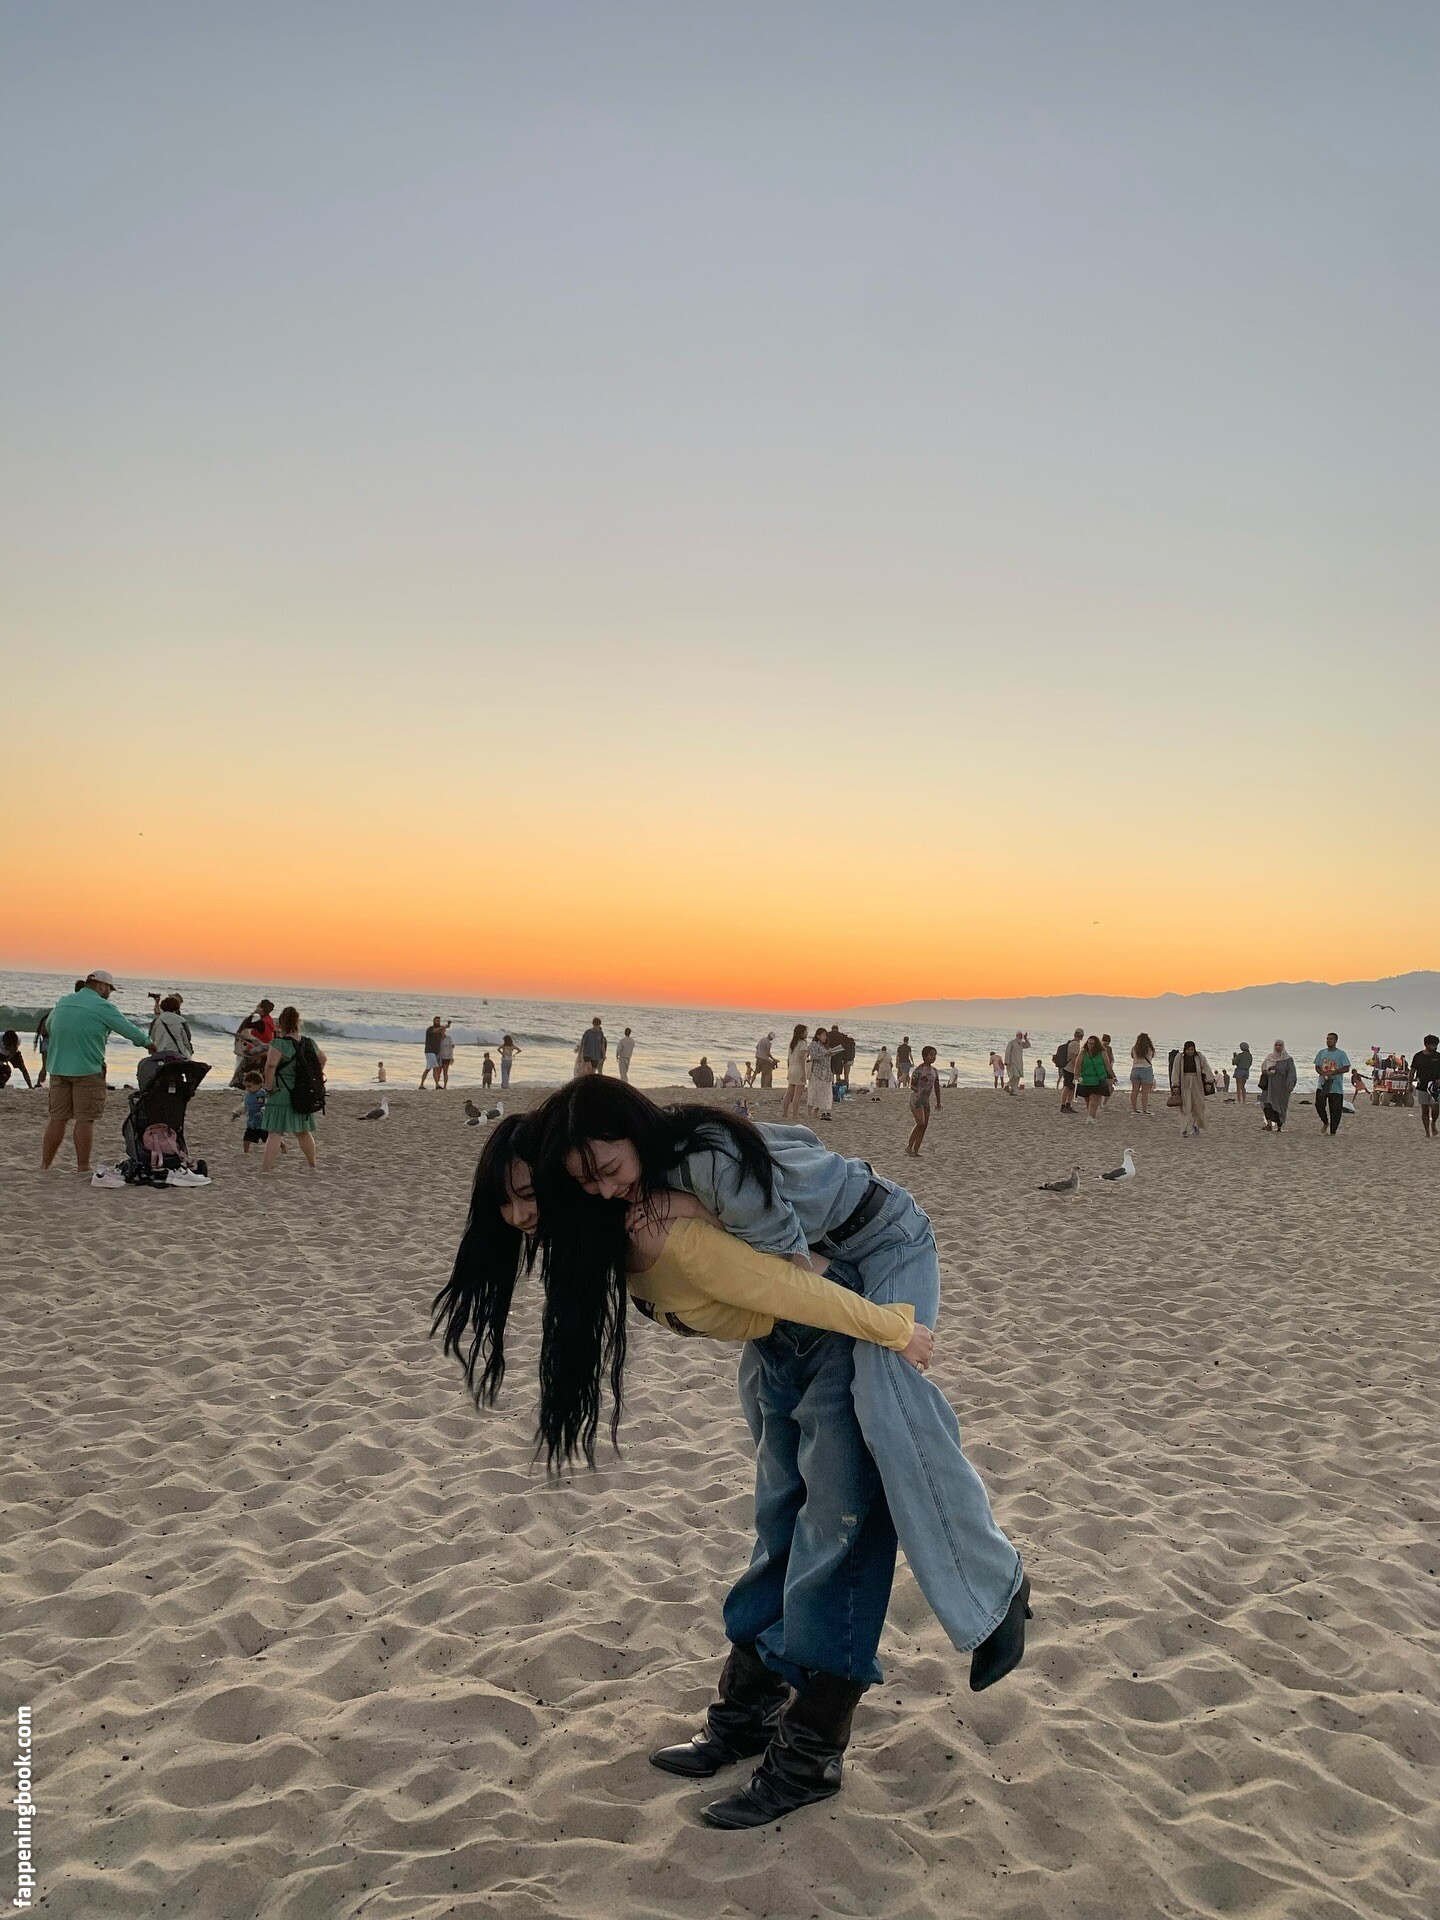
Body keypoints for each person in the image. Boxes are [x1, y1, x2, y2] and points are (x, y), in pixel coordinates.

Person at [434, 1092, 1028, 1826]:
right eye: (514, 1200)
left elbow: (787, 1275)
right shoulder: (616, 1221)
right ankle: (748, 1710)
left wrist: (889, 1328)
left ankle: (817, 1747)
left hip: (852, 1287)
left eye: (534, 1194)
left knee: (847, 1509)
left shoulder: (682, 1199)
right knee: (780, 1520)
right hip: (784, 1335)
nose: (523, 1215)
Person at [40, 972, 155, 1173]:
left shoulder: (64, 1001)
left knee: (57, 1118)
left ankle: (45, 1165)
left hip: (58, 1068)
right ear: (102, 986)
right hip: (88, 1070)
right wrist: (150, 1045)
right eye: (109, 989)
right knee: (85, 1119)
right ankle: (83, 1166)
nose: (109, 993)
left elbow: (49, 1026)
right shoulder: (102, 1006)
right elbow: (127, 1029)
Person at [260, 1006, 325, 1172]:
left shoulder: (279, 1043)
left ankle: (266, 1169)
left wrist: (269, 1087)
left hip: (282, 1090)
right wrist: (313, 1077)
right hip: (303, 1091)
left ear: (281, 1024)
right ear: (298, 1022)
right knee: (303, 1132)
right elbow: (323, 1059)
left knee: (275, 1132)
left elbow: (271, 1065)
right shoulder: (309, 1042)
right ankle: (312, 1164)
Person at [1170, 1040, 1215, 1137]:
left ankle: (1195, 1126)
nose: (1190, 1051)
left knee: (1198, 1105)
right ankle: (1184, 1129)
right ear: (1185, 1049)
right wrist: (1175, 1085)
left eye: (1192, 1049)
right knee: (1186, 1106)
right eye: (1188, 1049)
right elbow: (1175, 1071)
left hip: (1197, 1083)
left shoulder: (1199, 1057)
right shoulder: (1180, 1057)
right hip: (1184, 1083)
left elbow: (1206, 1068)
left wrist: (1209, 1082)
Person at [1313, 1033, 1351, 1135]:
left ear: (1335, 1041)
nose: (1328, 1041)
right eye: (1327, 1039)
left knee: (1335, 1110)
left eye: (1331, 1039)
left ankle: (1333, 1131)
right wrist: (1323, 1073)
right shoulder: (1322, 1052)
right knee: (1319, 1105)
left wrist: (1333, 1072)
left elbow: (1346, 1068)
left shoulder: (1341, 1054)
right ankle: (1325, 1122)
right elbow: (1317, 1066)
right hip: (1322, 1084)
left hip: (1336, 1086)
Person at [906, 1046, 941, 1156]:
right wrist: (919, 1091)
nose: (933, 1057)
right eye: (931, 1055)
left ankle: (916, 1150)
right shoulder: (919, 1070)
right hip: (916, 1100)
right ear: (925, 1056)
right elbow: (912, 1085)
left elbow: (937, 1087)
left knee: (924, 1126)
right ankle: (909, 1147)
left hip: (926, 1101)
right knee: (920, 1123)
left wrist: (938, 1102)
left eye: (934, 1055)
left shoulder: (934, 1071)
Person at [1257, 1040, 1297, 1132]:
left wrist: (1290, 1084)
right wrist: (1268, 1072)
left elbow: (1291, 1073)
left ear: (1283, 1047)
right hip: (1269, 1086)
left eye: (1280, 1045)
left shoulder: (1288, 1059)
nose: (1278, 1047)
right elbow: (1263, 1068)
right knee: (1266, 1104)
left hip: (1281, 1088)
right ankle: (1269, 1124)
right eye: (1276, 1045)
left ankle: (1279, 1126)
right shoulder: (1269, 1057)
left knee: (1280, 1106)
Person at [1076, 1035, 1110, 1122]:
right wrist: (1076, 1076)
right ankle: (1091, 1116)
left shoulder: (1102, 1053)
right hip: (1085, 1080)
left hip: (1098, 1080)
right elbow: (1077, 1065)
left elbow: (1107, 1065)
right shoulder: (1083, 1053)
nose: (1090, 1045)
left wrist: (1112, 1076)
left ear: (1096, 1044)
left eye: (1092, 1044)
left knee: (1094, 1099)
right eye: (1089, 1043)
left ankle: (1091, 1117)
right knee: (1088, 1101)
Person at [1411, 1034, 1440, 1138]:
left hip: (1435, 1086)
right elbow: (1412, 1071)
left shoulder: (1438, 1056)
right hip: (1422, 1086)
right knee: (1425, 1110)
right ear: (1426, 1045)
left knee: (1435, 1108)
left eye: (1436, 1045)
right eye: (1433, 1045)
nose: (1435, 1047)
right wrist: (1409, 1084)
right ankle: (1427, 1131)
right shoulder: (1418, 1056)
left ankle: (1433, 1123)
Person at [781, 1025, 809, 1121]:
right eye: (805, 1031)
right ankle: (794, 1115)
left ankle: (785, 1113)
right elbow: (802, 1060)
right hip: (799, 1069)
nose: (807, 1033)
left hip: (792, 1069)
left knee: (789, 1092)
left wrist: (788, 1071)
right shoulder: (803, 1043)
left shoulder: (792, 1043)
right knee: (797, 1094)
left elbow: (788, 1059)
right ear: (801, 1033)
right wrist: (804, 1074)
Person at [805, 1028, 833, 1118]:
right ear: (818, 1036)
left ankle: (816, 1113)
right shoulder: (814, 1044)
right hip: (817, 1072)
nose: (825, 1037)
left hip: (826, 1073)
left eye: (826, 1035)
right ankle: (809, 1113)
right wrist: (825, 1054)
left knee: (823, 1094)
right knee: (813, 1092)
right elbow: (813, 1056)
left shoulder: (824, 1046)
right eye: (823, 1035)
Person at [241, 1071, 271, 1155]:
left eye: (249, 1086)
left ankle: (282, 1145)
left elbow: (266, 1105)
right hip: (251, 1122)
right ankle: (246, 1152)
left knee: (268, 1139)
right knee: (247, 1138)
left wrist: (262, 1112)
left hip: (263, 1123)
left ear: (259, 1084)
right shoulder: (247, 1095)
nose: (247, 1088)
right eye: (246, 1086)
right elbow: (244, 1105)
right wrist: (236, 1113)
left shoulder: (262, 1094)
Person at [1129, 1033, 1156, 1115]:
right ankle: (1144, 1110)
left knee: (1134, 1091)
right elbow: (1152, 1057)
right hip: (1146, 1069)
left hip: (1135, 1069)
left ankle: (1134, 1109)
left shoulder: (1134, 1048)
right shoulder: (1150, 1049)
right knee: (1145, 1092)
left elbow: (1132, 1057)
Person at [421, 1017, 447, 1090]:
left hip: (436, 1052)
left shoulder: (440, 1031)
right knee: (435, 1067)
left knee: (428, 1069)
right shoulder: (430, 1029)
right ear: (434, 1021)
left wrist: (443, 1030)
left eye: (439, 1021)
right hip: (429, 1051)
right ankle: (437, 1084)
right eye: (437, 1021)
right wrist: (442, 1027)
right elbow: (435, 1031)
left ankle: (422, 1084)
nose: (438, 1022)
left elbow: (443, 1037)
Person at [1232, 1042, 1253, 1106]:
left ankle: (1239, 1100)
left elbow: (1234, 1063)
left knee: (1238, 1086)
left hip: (1240, 1070)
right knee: (1243, 1086)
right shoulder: (1250, 1055)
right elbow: (1250, 1064)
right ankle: (1244, 1100)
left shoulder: (1240, 1055)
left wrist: (1234, 1057)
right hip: (1246, 1071)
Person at [437, 1022, 456, 1089]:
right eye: (441, 1030)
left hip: (447, 1056)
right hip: (439, 1057)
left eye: (443, 1030)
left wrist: (451, 1057)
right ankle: (437, 1085)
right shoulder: (438, 1038)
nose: (442, 1031)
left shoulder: (448, 1038)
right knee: (438, 1072)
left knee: (445, 1072)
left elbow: (452, 1047)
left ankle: (445, 1086)